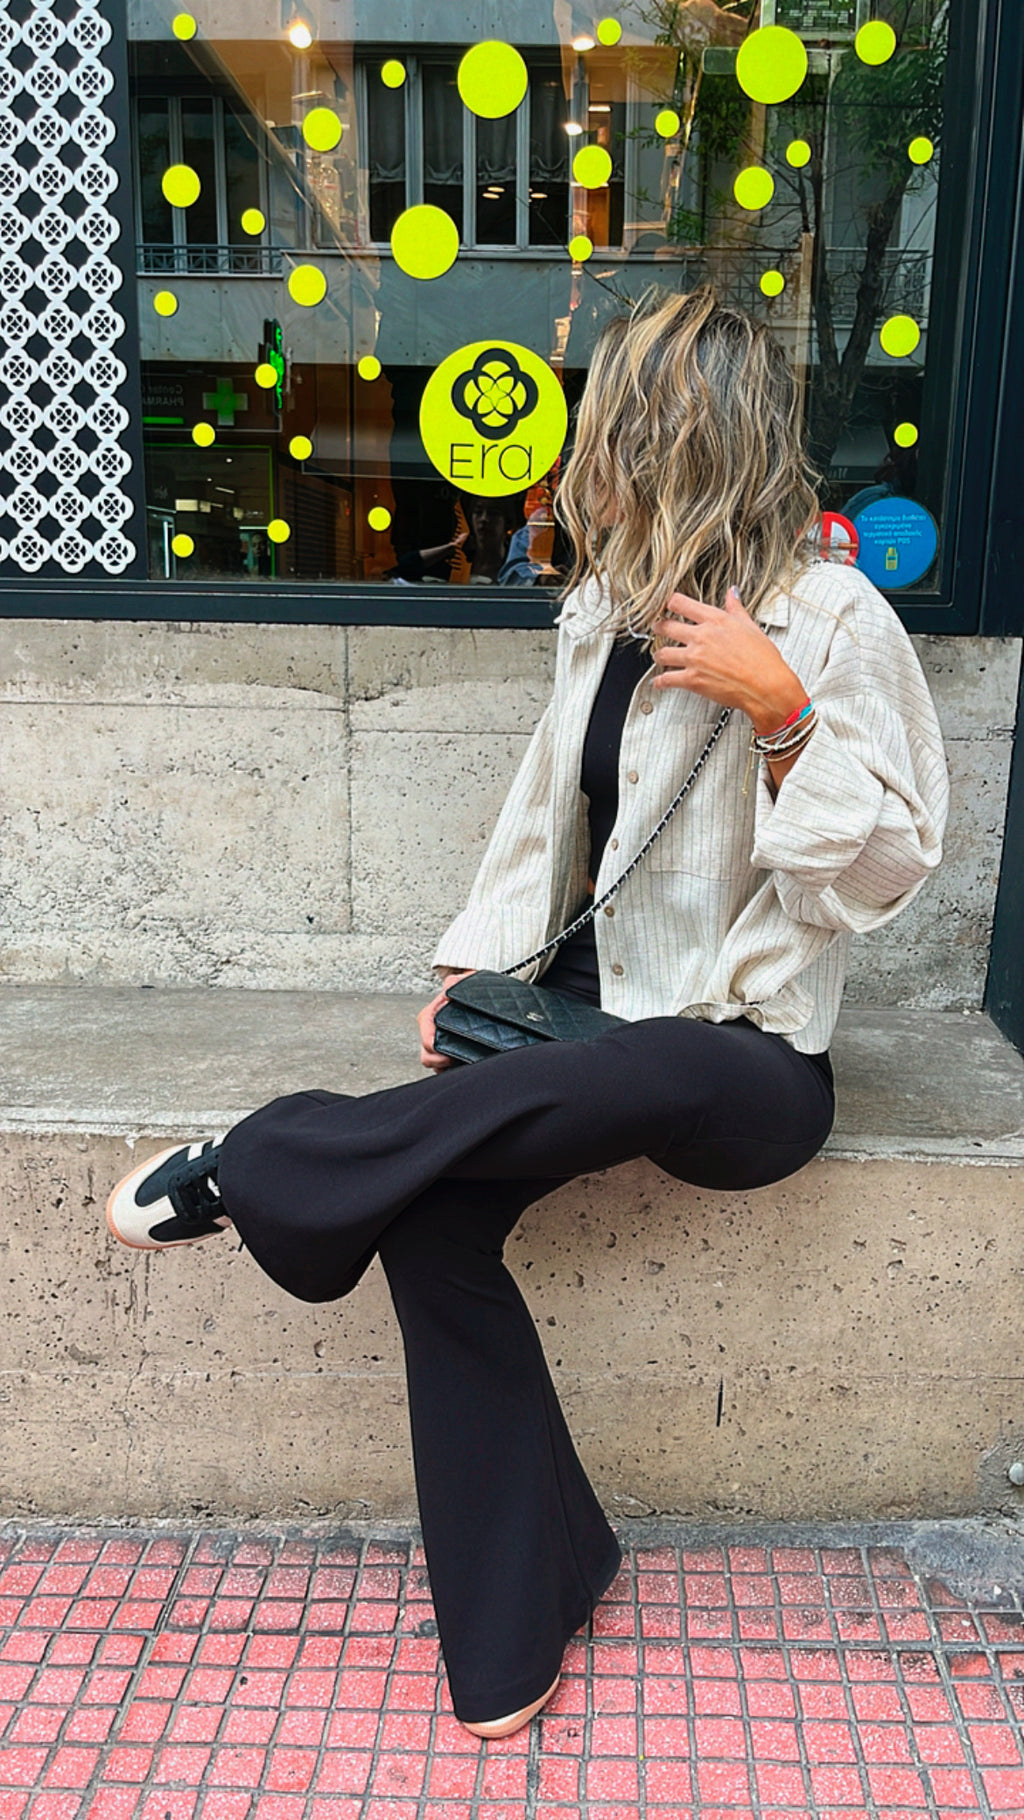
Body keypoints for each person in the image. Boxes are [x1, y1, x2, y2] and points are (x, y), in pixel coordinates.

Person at [105, 282, 950, 1741]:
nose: (577, 449)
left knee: (664, 1064)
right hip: (585, 1027)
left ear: (674, 433)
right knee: (431, 1223)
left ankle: (274, 1154)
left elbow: (878, 875)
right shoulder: (601, 604)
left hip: (741, 1064)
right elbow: (541, 818)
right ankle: (520, 1621)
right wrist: (477, 971)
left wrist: (784, 711)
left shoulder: (831, 617)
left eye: (605, 419)